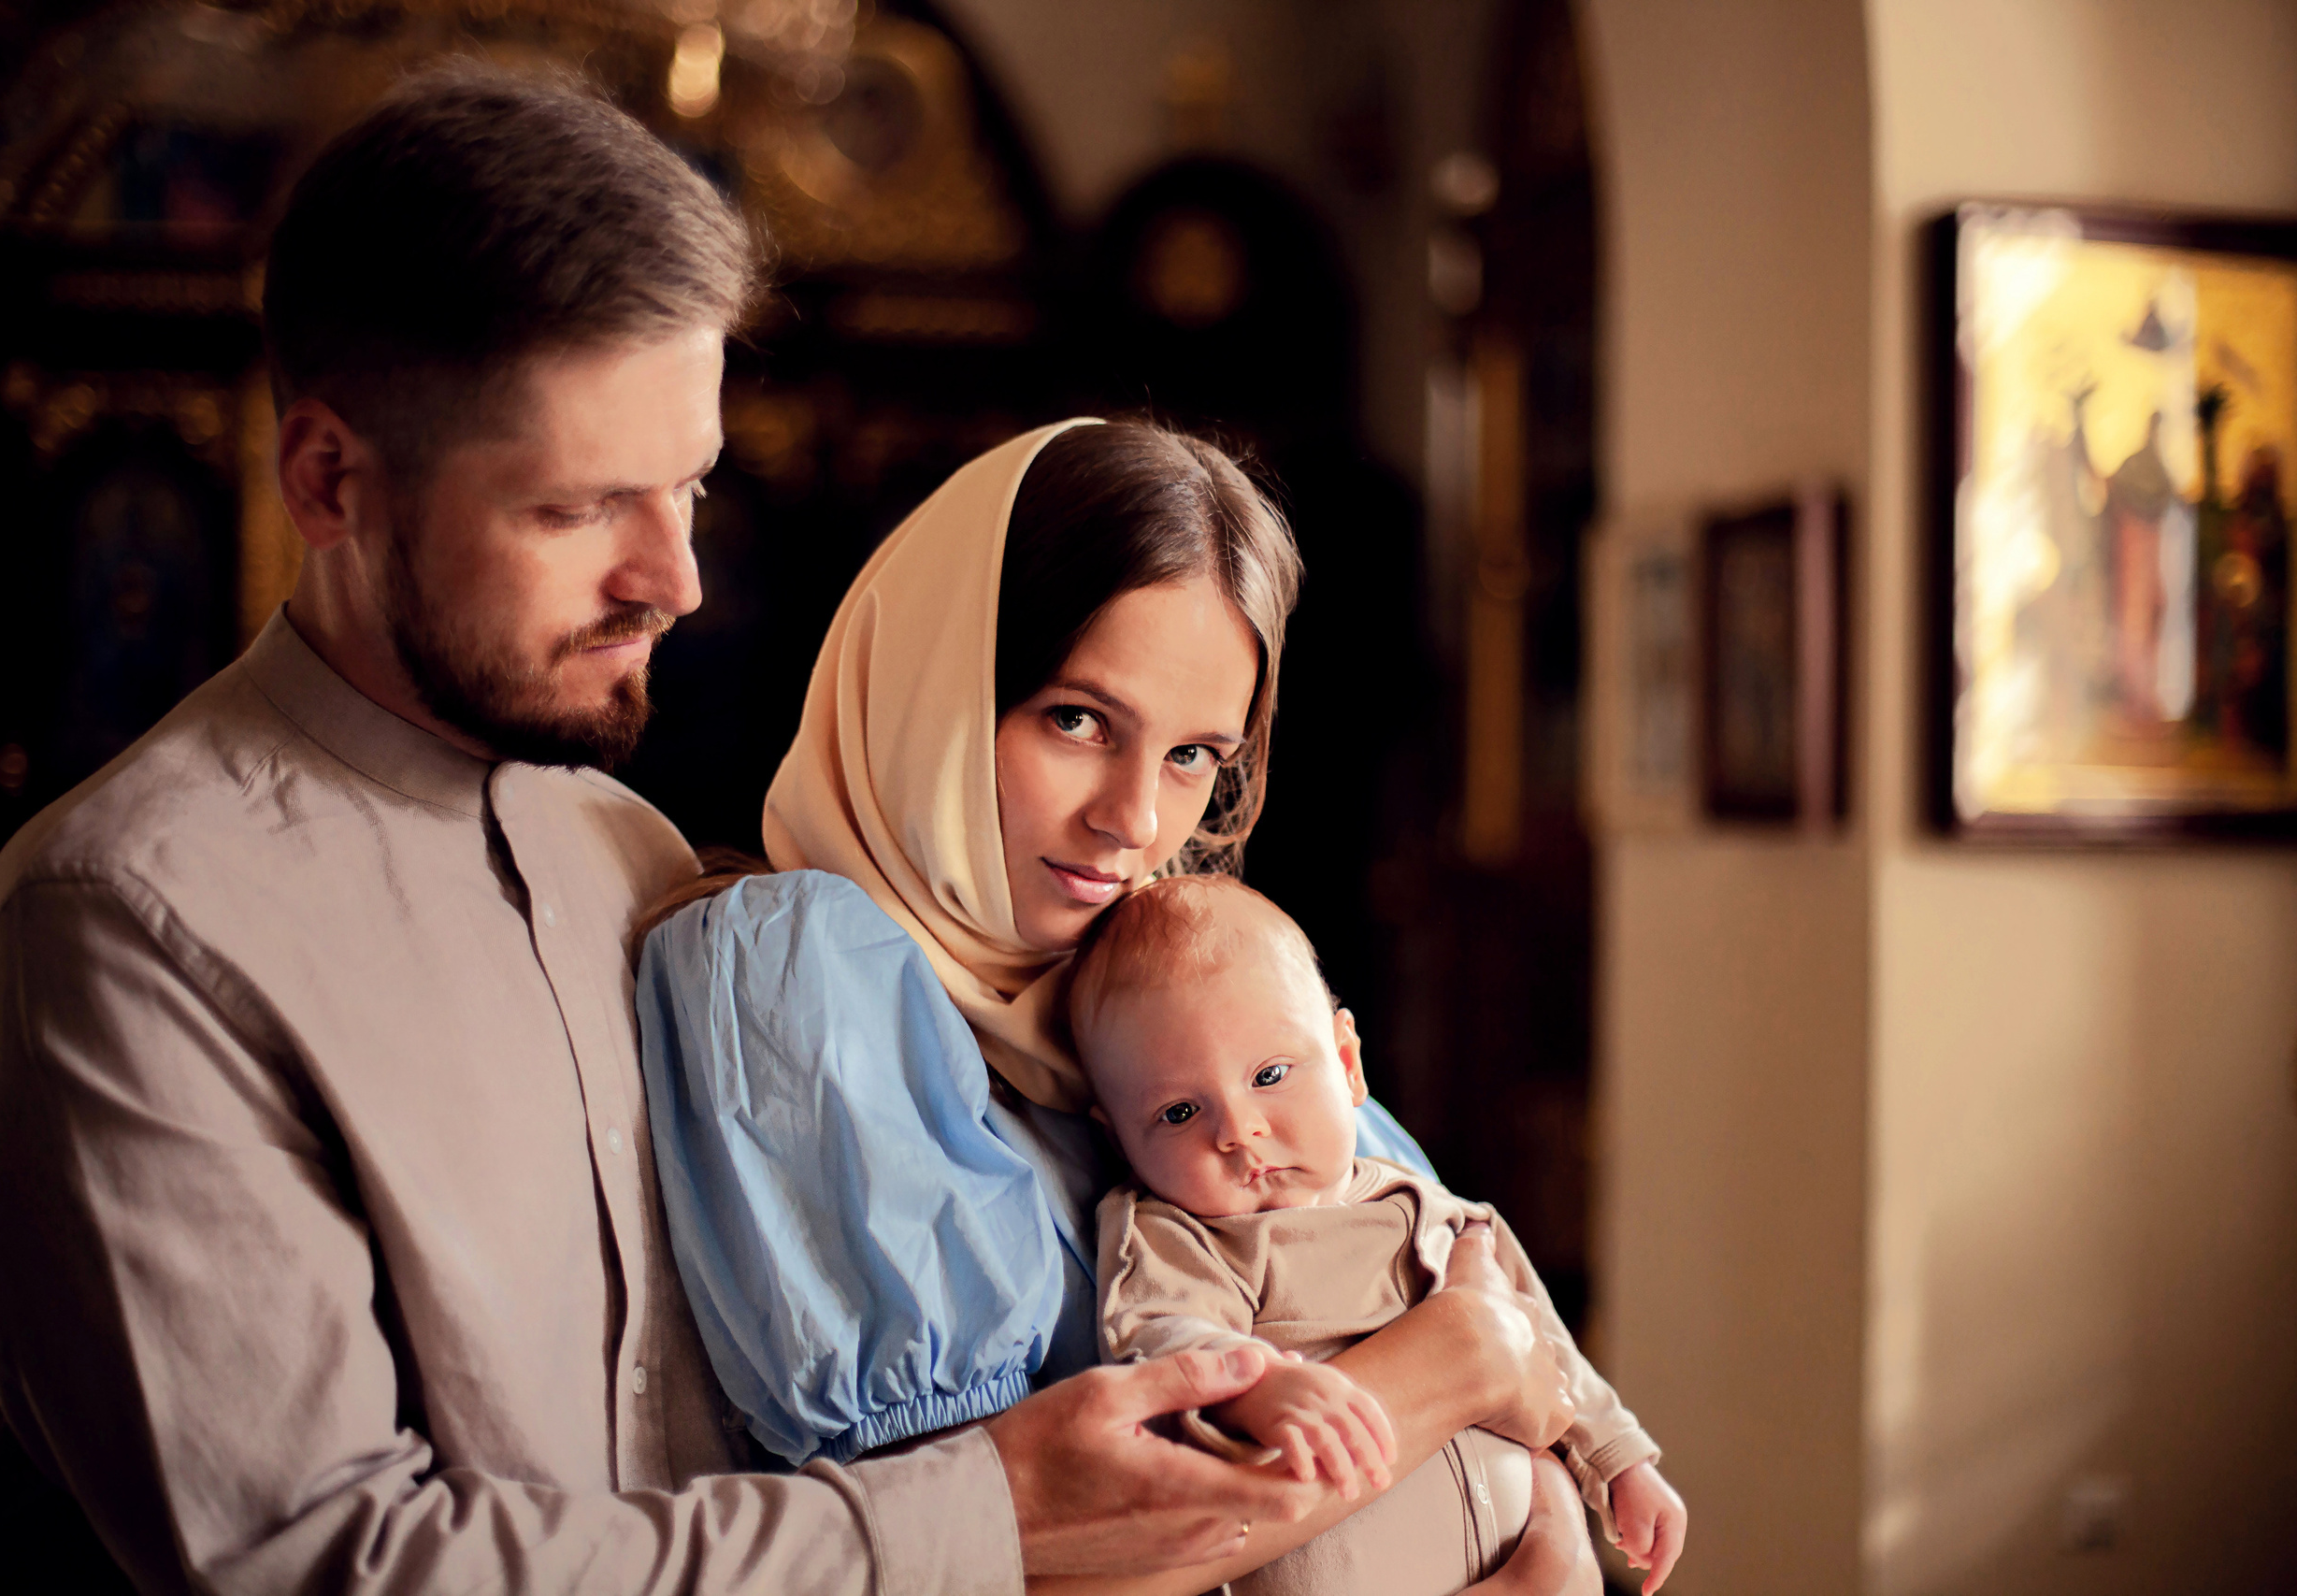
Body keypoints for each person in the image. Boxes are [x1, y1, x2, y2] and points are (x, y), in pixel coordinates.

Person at [0, 73, 1429, 1594]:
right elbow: (329, 1565)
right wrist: (993, 1512)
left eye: (691, 487)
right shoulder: (127, 931)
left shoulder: (633, 859)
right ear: (330, 480)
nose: (677, 578)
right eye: (581, 507)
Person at [639, 418, 1586, 1589]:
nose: (1134, 822)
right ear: (935, 686)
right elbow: (982, 1556)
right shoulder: (797, 971)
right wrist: (1457, 1364)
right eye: (1077, 720)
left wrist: (1551, 1525)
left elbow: (1513, 1362)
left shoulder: (1179, 986)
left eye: (1193, 756)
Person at [1073, 873, 1688, 1596]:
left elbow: (1545, 1346)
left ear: (1347, 1063)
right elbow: (1165, 1339)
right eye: (1179, 1112)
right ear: (1118, 1138)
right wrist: (1258, 1387)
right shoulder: (1179, 1237)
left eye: (1269, 1074)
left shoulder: (1435, 1209)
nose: (1239, 1130)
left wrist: (1620, 1461)